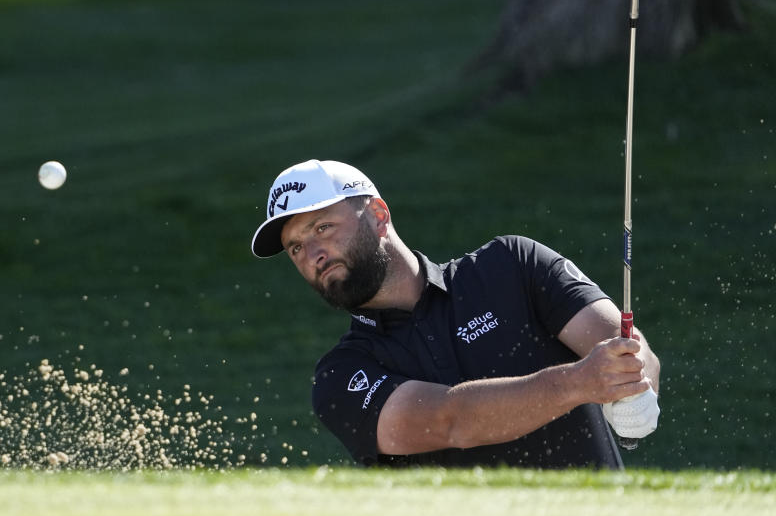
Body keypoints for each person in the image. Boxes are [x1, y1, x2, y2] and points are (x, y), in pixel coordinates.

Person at [251, 159, 660, 469]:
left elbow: (625, 348)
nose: (313, 255)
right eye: (296, 248)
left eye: (322, 228)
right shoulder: (340, 377)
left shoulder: (512, 265)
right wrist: (582, 382)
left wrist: (635, 385)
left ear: (378, 215)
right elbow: (452, 422)